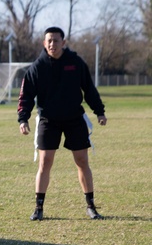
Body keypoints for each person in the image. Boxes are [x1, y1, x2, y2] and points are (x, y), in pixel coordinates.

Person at [17, 26, 107, 220]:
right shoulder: (37, 67)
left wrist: (99, 111)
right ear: (44, 43)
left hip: (74, 118)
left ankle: (91, 206)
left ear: (63, 43)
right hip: (49, 120)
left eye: (56, 40)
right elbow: (26, 96)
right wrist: (23, 118)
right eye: (48, 41)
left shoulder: (75, 63)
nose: (52, 44)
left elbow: (89, 89)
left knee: (82, 161)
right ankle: (39, 208)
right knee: (45, 162)